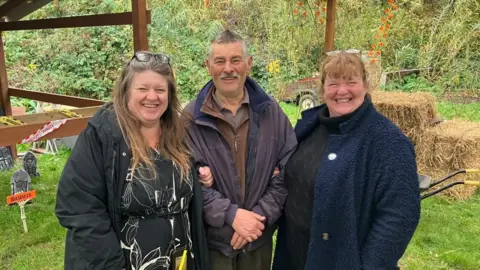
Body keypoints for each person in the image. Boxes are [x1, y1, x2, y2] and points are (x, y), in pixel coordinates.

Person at [55, 51, 209, 270]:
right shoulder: (104, 135)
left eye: (160, 89)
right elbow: (78, 207)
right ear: (126, 91)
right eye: (143, 89)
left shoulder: (176, 133)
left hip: (180, 261)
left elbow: (180, 185)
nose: (152, 97)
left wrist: (200, 172)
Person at [272, 50, 421, 270]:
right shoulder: (309, 127)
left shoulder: (387, 140)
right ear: (323, 90)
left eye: (351, 82)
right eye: (333, 84)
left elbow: (400, 216)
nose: (342, 91)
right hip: (295, 255)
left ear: (365, 86)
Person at [183, 29, 297, 270]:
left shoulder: (271, 112)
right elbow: (185, 180)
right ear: (208, 66)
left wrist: (258, 218)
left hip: (257, 240)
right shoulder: (190, 117)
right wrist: (231, 215)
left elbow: (289, 169)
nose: (228, 68)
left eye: (235, 60)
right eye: (220, 61)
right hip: (213, 244)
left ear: (248, 64)